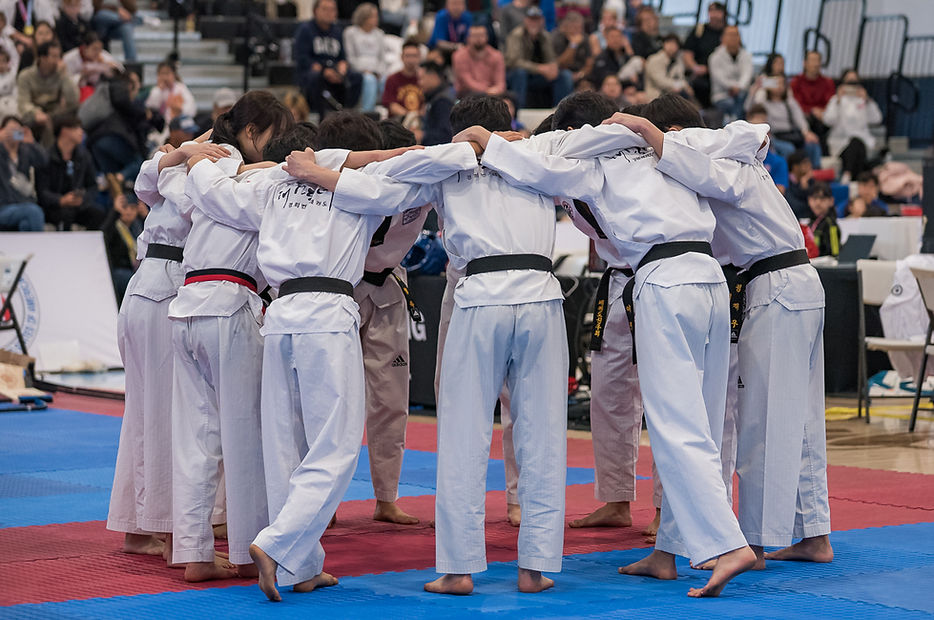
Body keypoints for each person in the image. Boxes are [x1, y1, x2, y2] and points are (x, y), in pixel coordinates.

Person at [459, 90, 755, 597]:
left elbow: (532, 168)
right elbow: (752, 134)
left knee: (674, 422)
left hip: (663, 279)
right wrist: (655, 133)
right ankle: (668, 551)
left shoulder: (591, 162)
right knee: (703, 418)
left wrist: (486, 140)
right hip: (710, 278)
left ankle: (727, 546)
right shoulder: (671, 144)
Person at [184, 112, 473, 601]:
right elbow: (421, 165)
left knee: (285, 448)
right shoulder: (359, 182)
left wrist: (190, 157)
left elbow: (215, 193)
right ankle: (276, 544)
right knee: (334, 445)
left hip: (279, 315)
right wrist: (479, 144)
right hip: (326, 312)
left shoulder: (274, 182)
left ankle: (302, 566)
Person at [299, 95, 569, 596]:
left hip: (481, 295)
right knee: (543, 432)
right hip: (542, 297)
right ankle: (535, 569)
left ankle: (459, 569)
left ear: (456, 129)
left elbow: (378, 194)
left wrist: (320, 172)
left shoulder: (443, 161)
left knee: (465, 432)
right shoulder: (541, 153)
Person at [614, 103, 831, 572]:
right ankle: (814, 534)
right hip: (795, 283)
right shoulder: (738, 154)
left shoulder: (724, 162)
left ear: (676, 132)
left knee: (763, 421)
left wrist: (647, 131)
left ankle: (755, 542)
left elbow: (709, 167)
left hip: (775, 284)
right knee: (805, 421)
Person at [168, 91, 295, 583]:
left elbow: (168, 184)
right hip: (229, 306)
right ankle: (246, 552)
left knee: (195, 439)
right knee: (244, 436)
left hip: (186, 309)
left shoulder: (205, 169)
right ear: (251, 133)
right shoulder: (264, 178)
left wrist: (186, 157)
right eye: (275, 136)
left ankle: (195, 553)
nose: (281, 147)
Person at [106, 138, 231, 564]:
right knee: (170, 415)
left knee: (141, 413)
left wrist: (177, 157)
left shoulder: (185, 167)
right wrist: (185, 158)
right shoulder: (211, 167)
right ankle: (175, 532)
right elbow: (157, 184)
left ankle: (136, 528)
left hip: (144, 290)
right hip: (165, 291)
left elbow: (145, 181)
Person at [348, 119, 426, 525]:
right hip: (344, 289)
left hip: (391, 288)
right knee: (333, 401)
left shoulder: (425, 188)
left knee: (392, 398)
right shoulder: (351, 183)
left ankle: (386, 497)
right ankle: (317, 503)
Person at [36, 113, 106, 231]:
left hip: (77, 206)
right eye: (77, 128)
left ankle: (91, 248)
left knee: (98, 214)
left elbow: (93, 186)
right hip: (53, 207)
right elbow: (41, 191)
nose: (81, 132)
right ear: (65, 131)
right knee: (65, 214)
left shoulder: (83, 156)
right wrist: (60, 200)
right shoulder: (46, 157)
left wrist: (82, 199)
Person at [294, 0, 362, 117]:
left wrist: (342, 66)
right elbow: (302, 58)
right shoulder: (305, 29)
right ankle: (319, 115)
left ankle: (347, 112)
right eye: (325, 9)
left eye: (332, 9)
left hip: (334, 69)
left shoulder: (337, 31)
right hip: (315, 70)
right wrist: (324, 71)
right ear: (315, 11)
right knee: (314, 77)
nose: (329, 13)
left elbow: (342, 57)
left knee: (357, 77)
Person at [87, 71, 157, 183]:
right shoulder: (130, 105)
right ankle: (120, 178)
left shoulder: (110, 101)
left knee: (110, 176)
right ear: (130, 86)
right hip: (113, 138)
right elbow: (139, 131)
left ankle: (113, 185)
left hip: (96, 140)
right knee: (139, 163)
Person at [504, 6, 573, 108]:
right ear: (526, 20)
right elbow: (513, 61)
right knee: (520, 73)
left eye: (537, 20)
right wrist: (539, 68)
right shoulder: (516, 35)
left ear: (542, 21)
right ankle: (519, 111)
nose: (534, 23)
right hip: (519, 75)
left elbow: (551, 59)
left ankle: (560, 110)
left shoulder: (545, 36)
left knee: (565, 75)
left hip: (538, 76)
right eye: (531, 20)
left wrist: (553, 68)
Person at [748, 73, 821, 168]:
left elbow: (799, 118)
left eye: (782, 83)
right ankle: (788, 176)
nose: (779, 86)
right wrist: (758, 88)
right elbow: (751, 108)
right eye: (775, 83)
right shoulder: (764, 101)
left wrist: (806, 132)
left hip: (790, 134)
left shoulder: (789, 102)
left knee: (813, 145)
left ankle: (815, 173)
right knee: (788, 149)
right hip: (774, 136)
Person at [823, 69, 883, 181]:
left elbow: (877, 119)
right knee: (855, 145)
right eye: (849, 82)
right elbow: (828, 120)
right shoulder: (836, 100)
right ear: (843, 84)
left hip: (863, 143)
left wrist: (867, 101)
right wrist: (838, 101)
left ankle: (848, 175)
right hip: (841, 144)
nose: (852, 86)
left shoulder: (863, 100)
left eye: (855, 83)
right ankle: (856, 178)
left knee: (857, 144)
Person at [16, 41, 80, 146]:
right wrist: (36, 112)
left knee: (76, 118)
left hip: (55, 113)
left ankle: (65, 156)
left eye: (59, 56)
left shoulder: (61, 74)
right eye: (54, 56)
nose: (58, 61)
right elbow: (23, 103)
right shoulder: (26, 75)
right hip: (32, 114)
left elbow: (73, 100)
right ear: (42, 58)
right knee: (15, 130)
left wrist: (64, 76)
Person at [102, 188, 148, 305]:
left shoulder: (137, 227)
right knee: (134, 281)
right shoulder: (113, 225)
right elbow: (103, 237)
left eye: (132, 208)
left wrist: (147, 216)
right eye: (125, 207)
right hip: (117, 270)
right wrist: (115, 212)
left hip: (136, 269)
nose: (128, 211)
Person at [0, 115, 43, 230]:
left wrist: (32, 142)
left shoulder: (25, 151)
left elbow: (44, 161)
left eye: (17, 130)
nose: (14, 133)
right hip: (3, 206)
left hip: (22, 202)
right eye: (10, 130)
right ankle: (40, 247)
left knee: (26, 224)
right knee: (34, 212)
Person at [343, 3, 388, 112]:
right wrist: (365, 70)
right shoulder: (350, 32)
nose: (376, 19)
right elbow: (350, 57)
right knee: (369, 80)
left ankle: (387, 111)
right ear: (364, 17)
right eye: (373, 16)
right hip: (358, 70)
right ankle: (367, 113)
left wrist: (379, 72)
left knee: (386, 80)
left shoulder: (379, 34)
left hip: (376, 70)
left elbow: (382, 58)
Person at [682, 1, 726, 107]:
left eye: (717, 11)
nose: (714, 15)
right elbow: (687, 52)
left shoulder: (728, 32)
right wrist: (695, 67)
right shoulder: (700, 30)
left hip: (722, 75)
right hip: (701, 75)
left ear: (723, 14)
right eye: (711, 11)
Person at [708, 25, 752, 123]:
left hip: (742, 93)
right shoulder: (715, 57)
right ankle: (736, 123)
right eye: (730, 35)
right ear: (723, 38)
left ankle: (734, 122)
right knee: (734, 104)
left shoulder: (746, 55)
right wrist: (732, 87)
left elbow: (747, 75)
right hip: (722, 95)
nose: (733, 38)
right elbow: (719, 78)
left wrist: (739, 87)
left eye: (736, 34)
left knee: (748, 101)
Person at [452, 24, 506, 97]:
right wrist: (487, 91)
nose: (478, 39)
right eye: (475, 36)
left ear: (487, 37)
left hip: (493, 92)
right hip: (468, 92)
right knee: (477, 95)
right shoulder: (459, 56)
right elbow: (467, 82)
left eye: (481, 35)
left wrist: (496, 89)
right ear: (468, 38)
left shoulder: (497, 55)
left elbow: (500, 82)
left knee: (511, 97)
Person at [745, 103, 788, 193]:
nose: (757, 136)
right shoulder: (737, 160)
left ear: (768, 134)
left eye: (761, 130)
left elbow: (780, 192)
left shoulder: (778, 162)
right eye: (754, 130)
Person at [588, 25, 642, 89]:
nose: (616, 40)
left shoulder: (626, 56)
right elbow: (603, 79)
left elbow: (637, 78)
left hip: (627, 90)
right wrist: (628, 81)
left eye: (618, 37)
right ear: (606, 39)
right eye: (612, 37)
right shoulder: (601, 58)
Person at [144, 61, 196, 125]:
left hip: (178, 123)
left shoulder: (181, 88)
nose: (165, 77)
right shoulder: (156, 90)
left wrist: (178, 109)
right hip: (159, 126)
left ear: (174, 74)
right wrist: (159, 90)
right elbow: (151, 108)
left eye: (167, 73)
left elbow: (191, 110)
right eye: (162, 74)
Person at [382, 39, 424, 118]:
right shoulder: (392, 79)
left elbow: (427, 104)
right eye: (408, 56)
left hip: (420, 122)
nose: (411, 60)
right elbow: (391, 105)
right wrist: (410, 117)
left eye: (414, 56)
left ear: (420, 57)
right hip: (398, 123)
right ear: (401, 57)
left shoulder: (424, 79)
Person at [643, 34, 691, 101]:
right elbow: (660, 81)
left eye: (674, 44)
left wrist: (683, 85)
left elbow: (680, 76)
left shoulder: (678, 60)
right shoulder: (654, 59)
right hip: (655, 96)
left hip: (673, 96)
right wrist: (680, 85)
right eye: (669, 43)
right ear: (664, 44)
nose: (671, 46)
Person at [552, 11, 594, 88]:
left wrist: (580, 74)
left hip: (580, 73)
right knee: (566, 77)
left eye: (580, 28)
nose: (578, 31)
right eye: (574, 27)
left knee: (587, 86)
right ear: (565, 27)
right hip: (561, 73)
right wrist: (573, 45)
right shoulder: (557, 38)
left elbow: (589, 63)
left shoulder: (584, 38)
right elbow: (560, 64)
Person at [417, 60, 453, 145]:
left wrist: (422, 136)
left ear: (433, 76)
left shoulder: (443, 102)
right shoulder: (435, 97)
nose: (419, 83)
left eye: (421, 78)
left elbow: (446, 136)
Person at [806, 181, 839, 257]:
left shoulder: (831, 225)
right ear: (809, 200)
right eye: (814, 198)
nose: (818, 202)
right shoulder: (809, 224)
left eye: (822, 198)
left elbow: (835, 254)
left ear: (831, 201)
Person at [0, 47, 17, 118]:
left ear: (8, 63)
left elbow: (16, 94)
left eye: (3, 61)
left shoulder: (12, 76)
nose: (0, 64)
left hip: (8, 103)